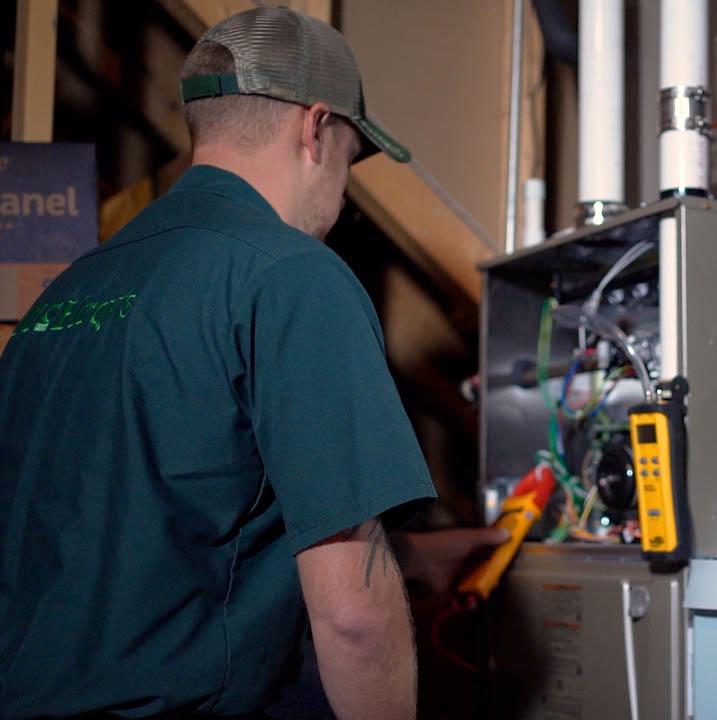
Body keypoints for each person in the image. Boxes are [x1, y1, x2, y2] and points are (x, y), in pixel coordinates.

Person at [0, 8, 504, 720]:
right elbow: (354, 616)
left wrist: (416, 559)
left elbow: (142, 525)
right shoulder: (294, 276)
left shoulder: (65, 295)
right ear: (315, 129)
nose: (342, 193)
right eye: (350, 158)